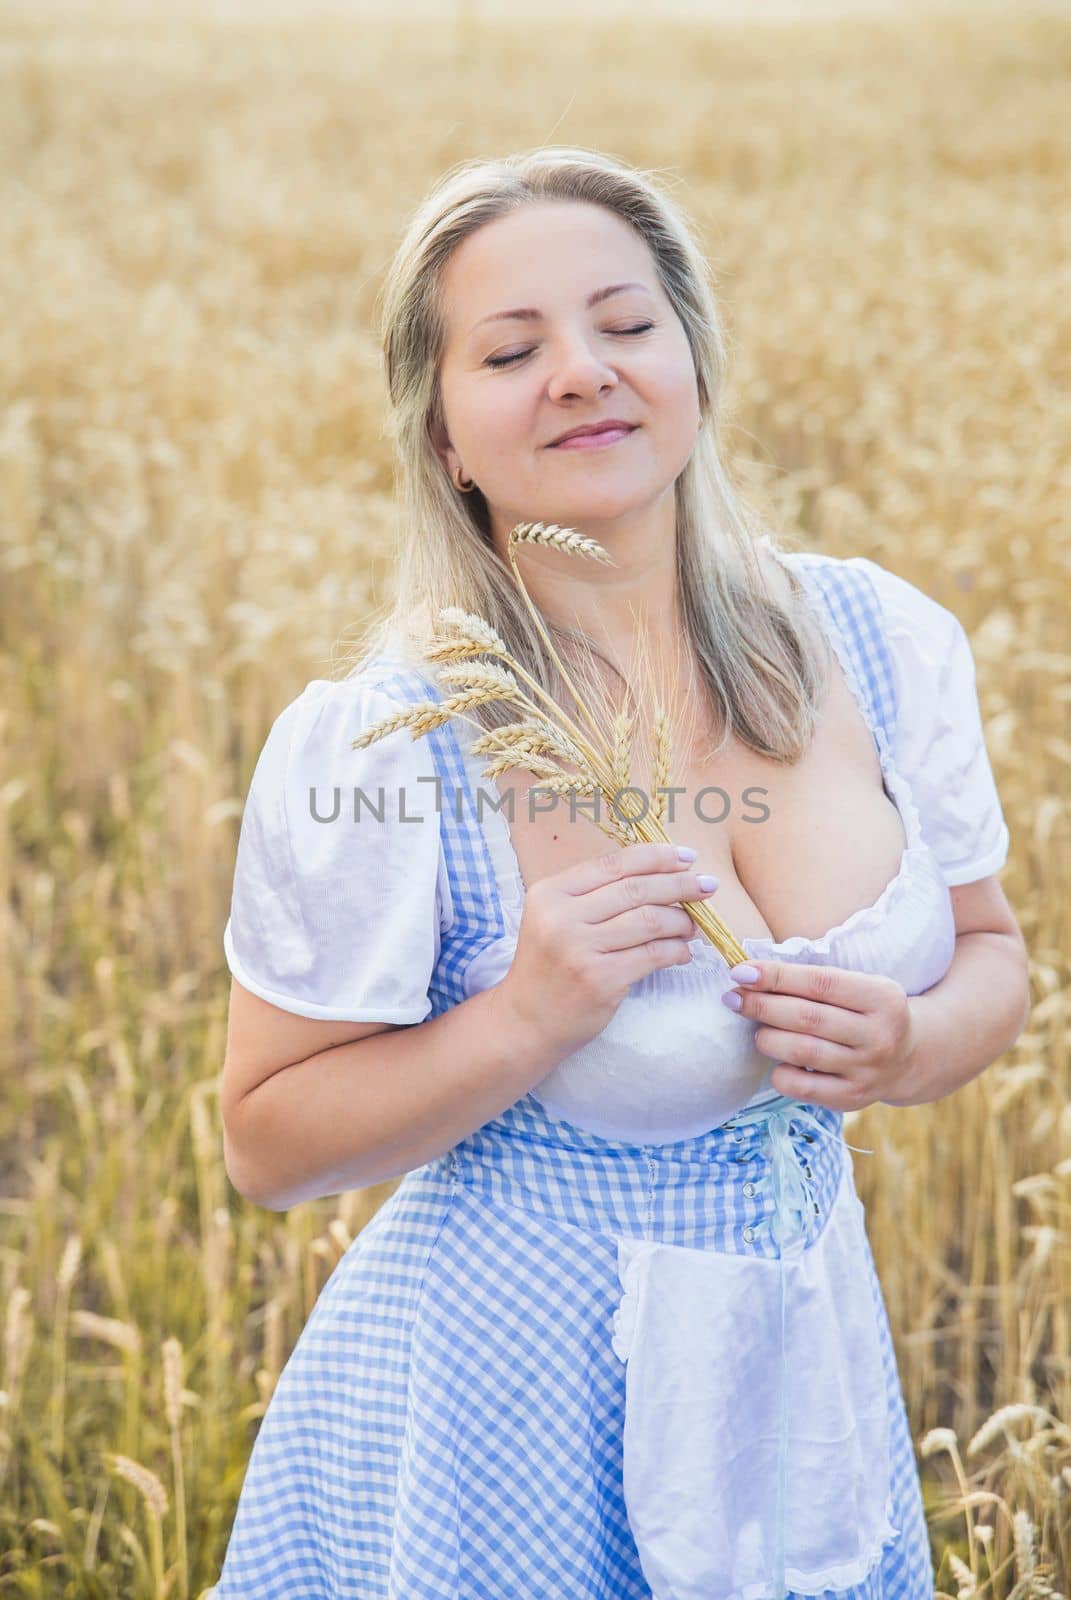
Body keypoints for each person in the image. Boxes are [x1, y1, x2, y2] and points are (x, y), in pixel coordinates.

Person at [210, 147, 1030, 1599]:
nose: (583, 372)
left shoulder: (882, 644)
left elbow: (993, 956)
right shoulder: (393, 743)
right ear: (445, 434)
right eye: (512, 350)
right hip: (500, 1415)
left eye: (627, 324)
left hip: (801, 1375)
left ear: (695, 361)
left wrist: (905, 1045)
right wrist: (524, 1017)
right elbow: (267, 1144)